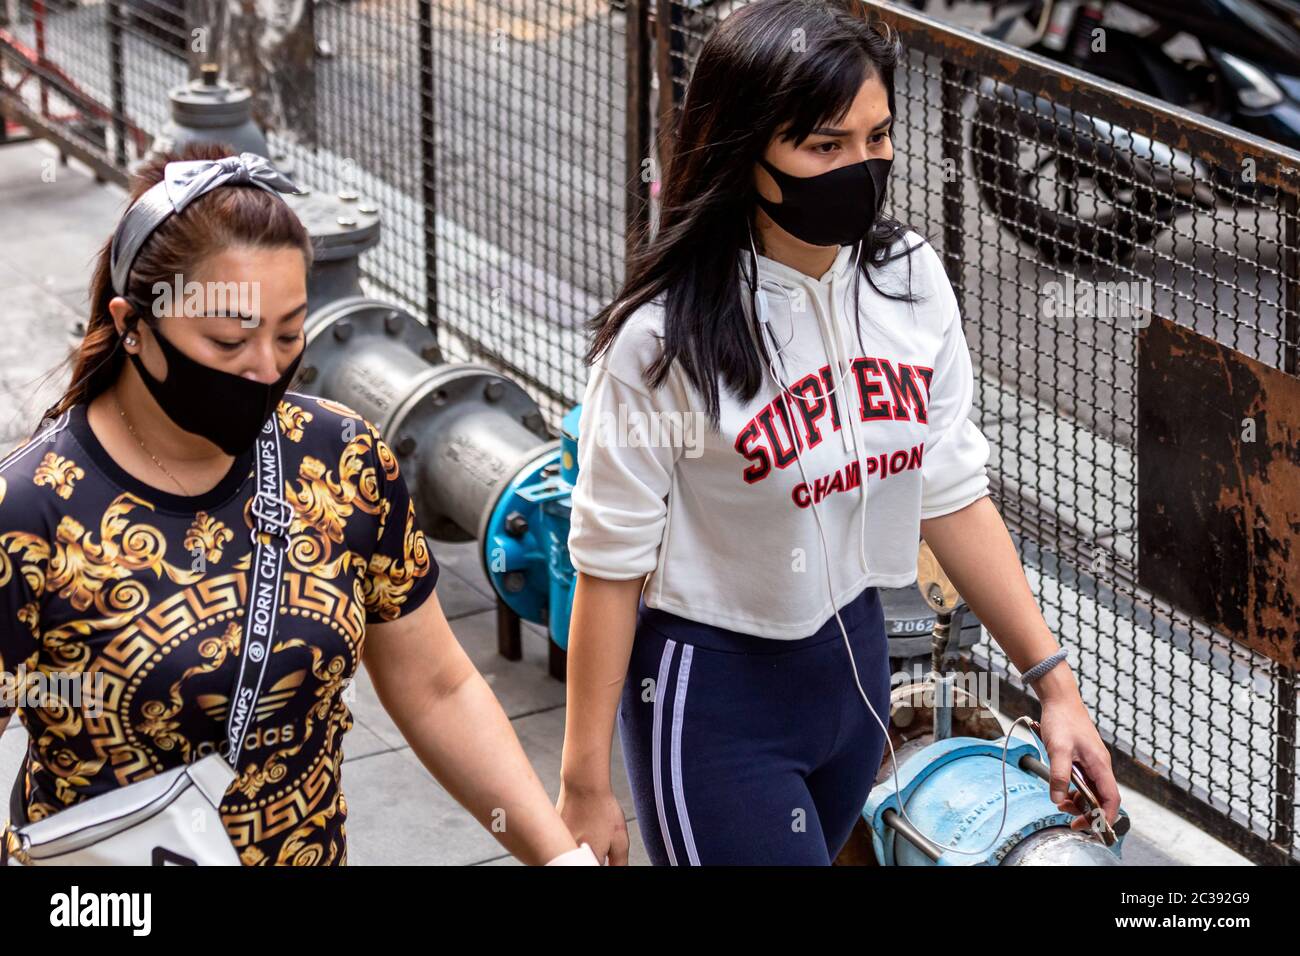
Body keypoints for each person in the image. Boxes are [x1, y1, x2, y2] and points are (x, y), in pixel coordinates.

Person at [557, 0, 1121, 865]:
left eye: (877, 136)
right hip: (713, 705)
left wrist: (1056, 687)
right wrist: (584, 785)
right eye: (825, 146)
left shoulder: (909, 280)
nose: (861, 166)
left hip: (853, 680)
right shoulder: (662, 341)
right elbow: (610, 564)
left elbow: (951, 492)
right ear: (745, 153)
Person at [0, 144, 595, 866]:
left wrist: (558, 857)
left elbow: (437, 687)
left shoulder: (341, 460)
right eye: (228, 340)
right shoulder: (29, 512)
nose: (265, 369)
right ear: (133, 325)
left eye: (289, 333)